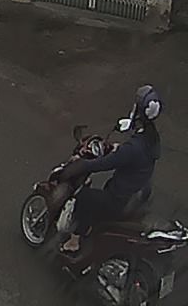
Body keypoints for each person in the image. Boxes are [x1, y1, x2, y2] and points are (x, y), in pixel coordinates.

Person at [58, 85, 162, 255]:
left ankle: (74, 242)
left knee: (84, 197)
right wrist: (118, 148)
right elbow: (135, 156)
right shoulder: (152, 138)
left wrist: (81, 164)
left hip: (119, 201)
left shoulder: (133, 148)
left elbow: (104, 164)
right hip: (136, 195)